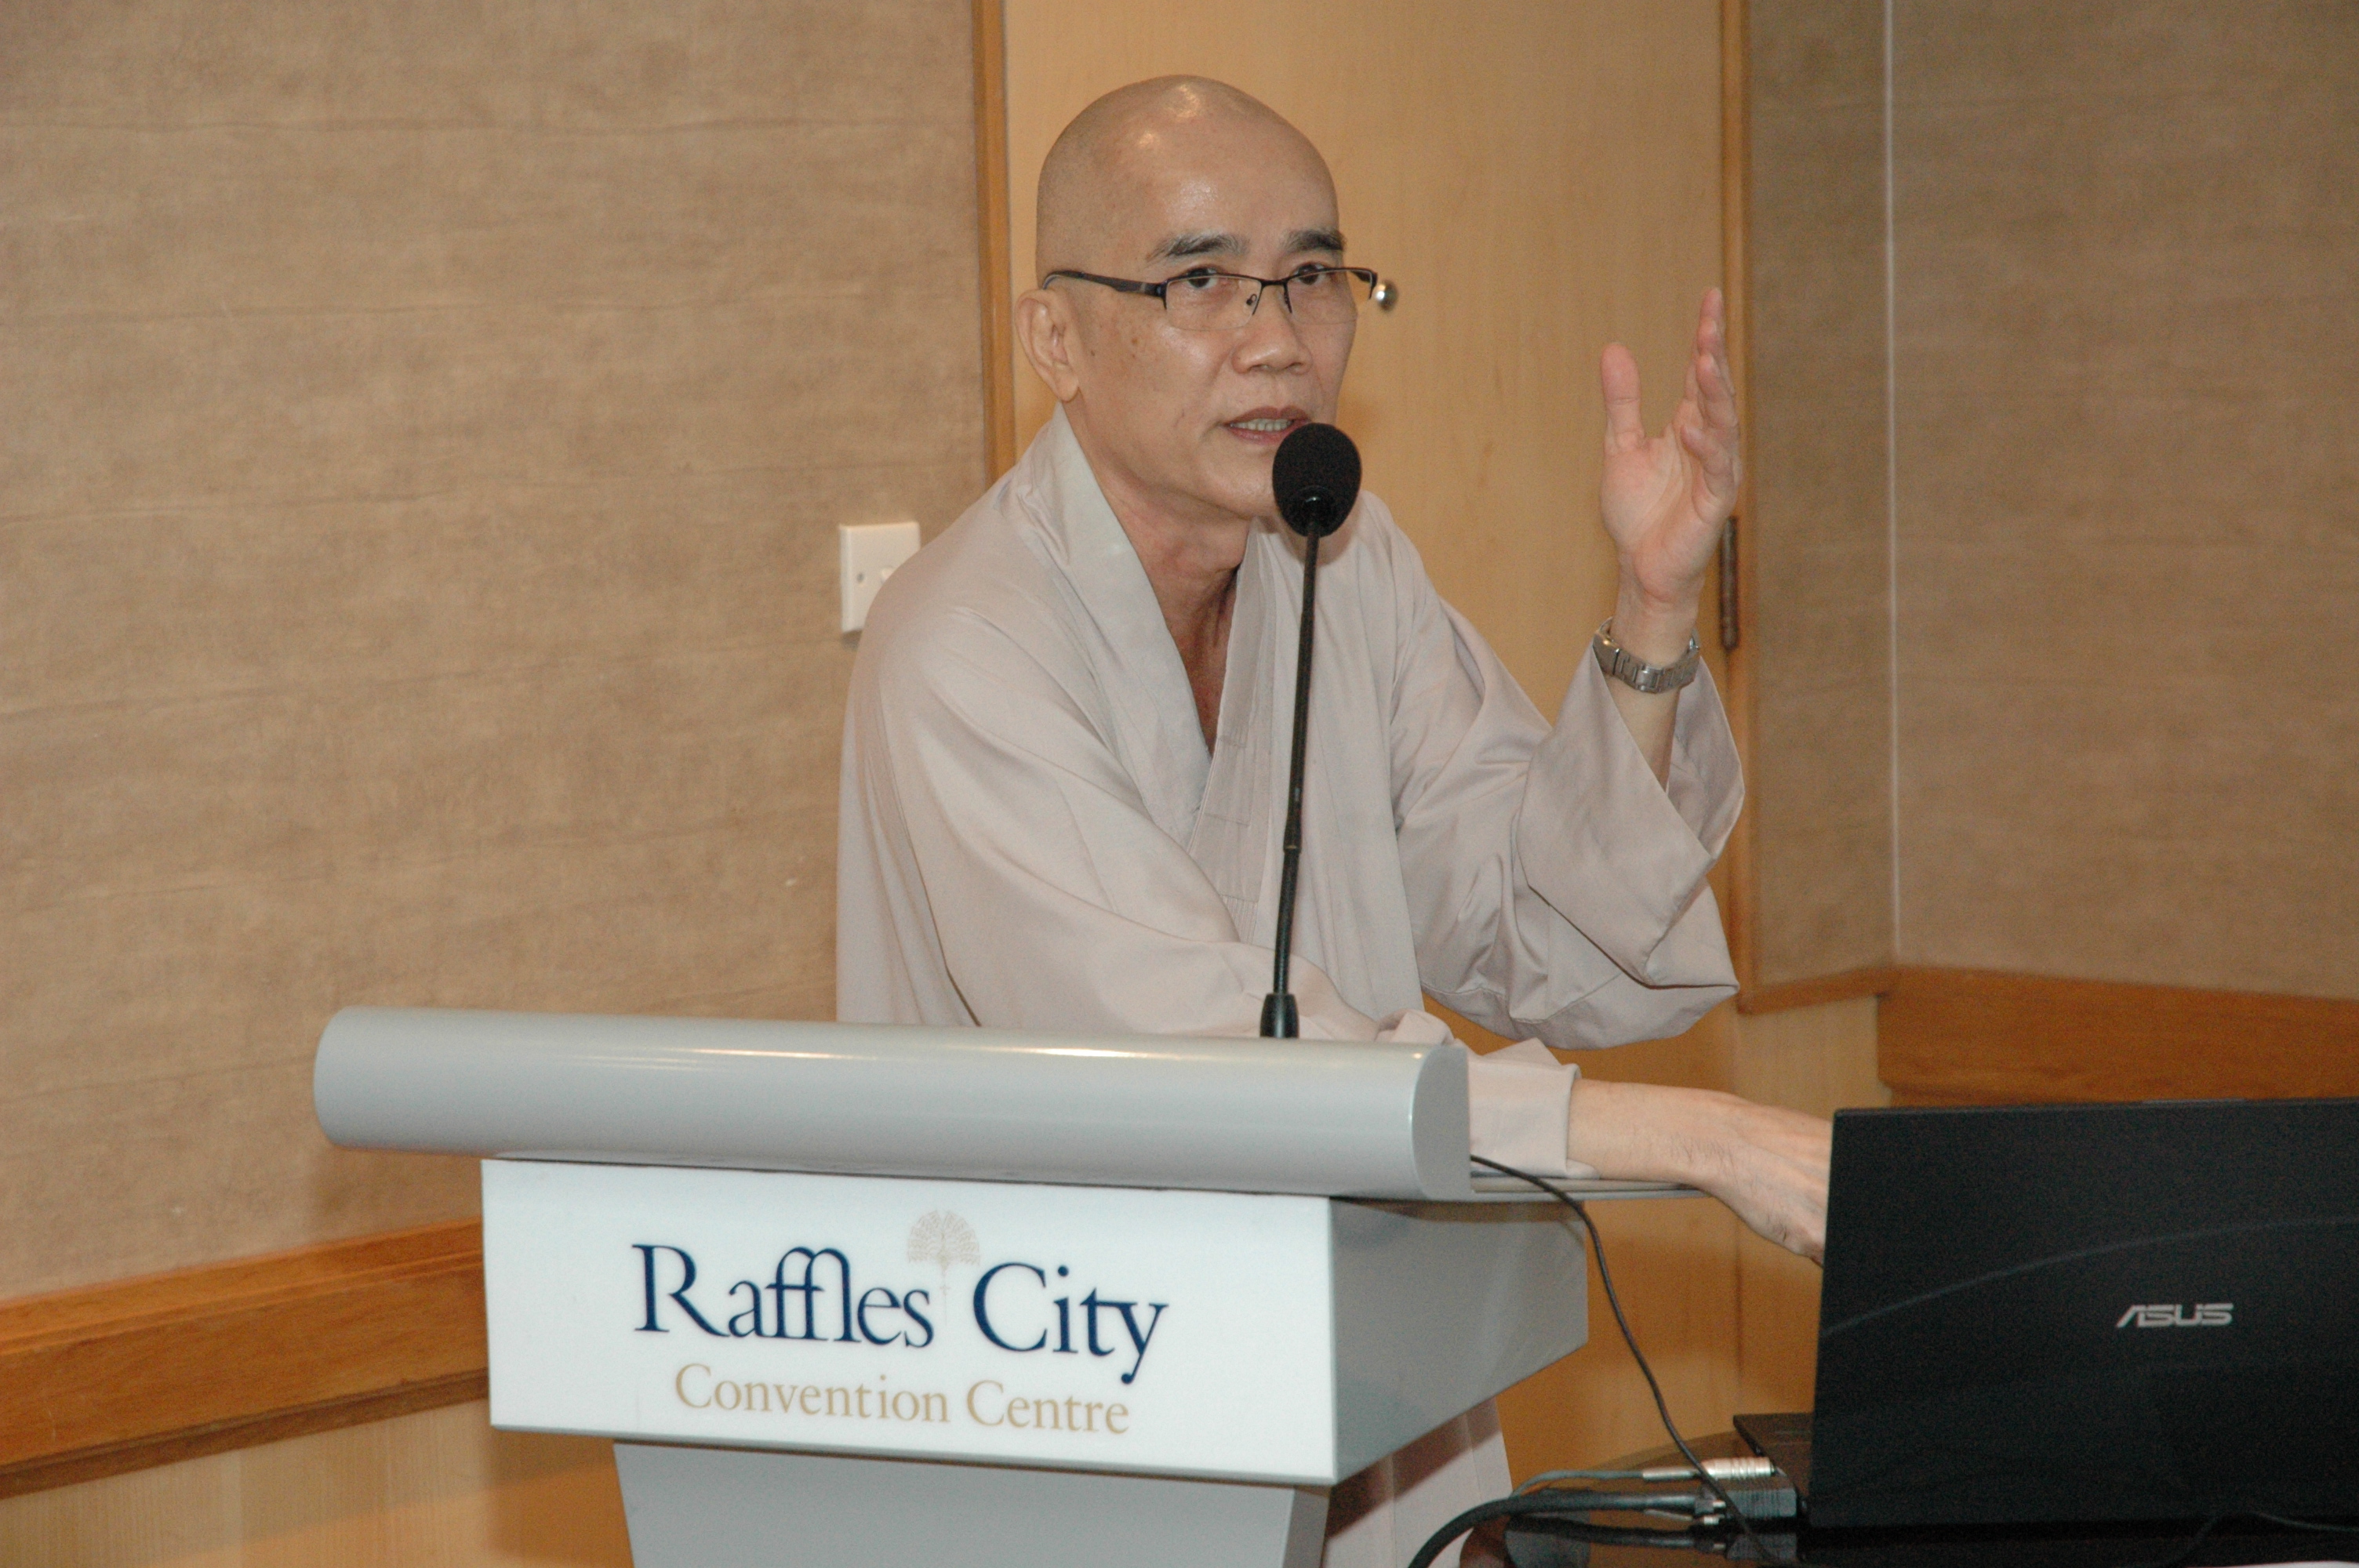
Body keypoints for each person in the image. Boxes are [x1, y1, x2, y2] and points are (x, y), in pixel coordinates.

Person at [838, 75, 1830, 1566]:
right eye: (1198, 280)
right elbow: (1201, 1068)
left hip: (1366, 1376)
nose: (1279, 338)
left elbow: (1544, 933)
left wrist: (1651, 604)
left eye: (1313, 276)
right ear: (1055, 338)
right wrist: (1702, 1139)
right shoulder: (964, 647)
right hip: (1070, 1395)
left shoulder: (1341, 560)